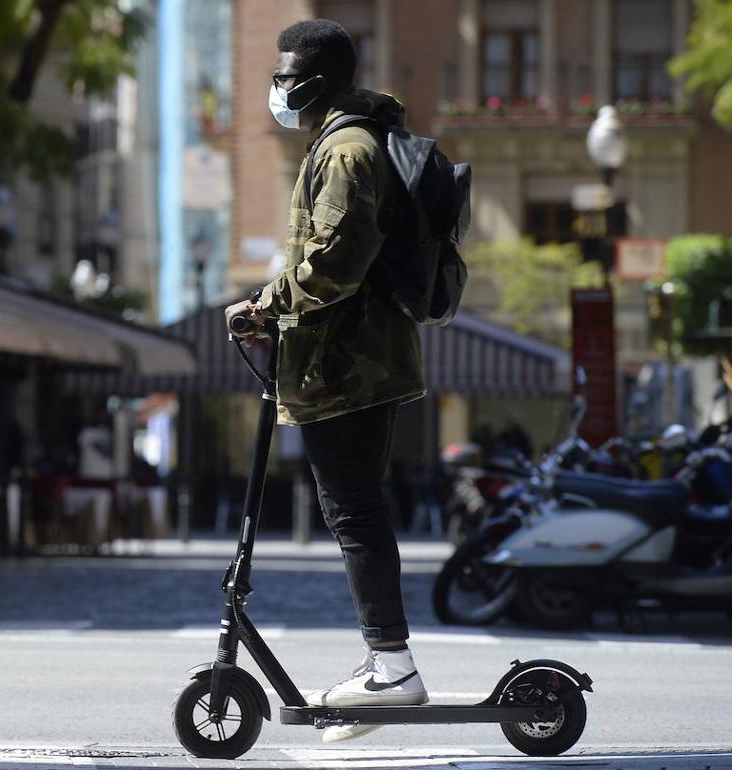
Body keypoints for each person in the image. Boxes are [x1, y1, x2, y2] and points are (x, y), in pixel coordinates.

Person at [224, 19, 428, 744]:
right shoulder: (342, 141)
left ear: (311, 81)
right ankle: (387, 663)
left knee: (353, 513)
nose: (275, 90)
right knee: (355, 511)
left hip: (347, 365)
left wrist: (263, 305)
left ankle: (393, 665)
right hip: (343, 360)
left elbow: (336, 262)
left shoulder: (344, 148)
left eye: (282, 77)